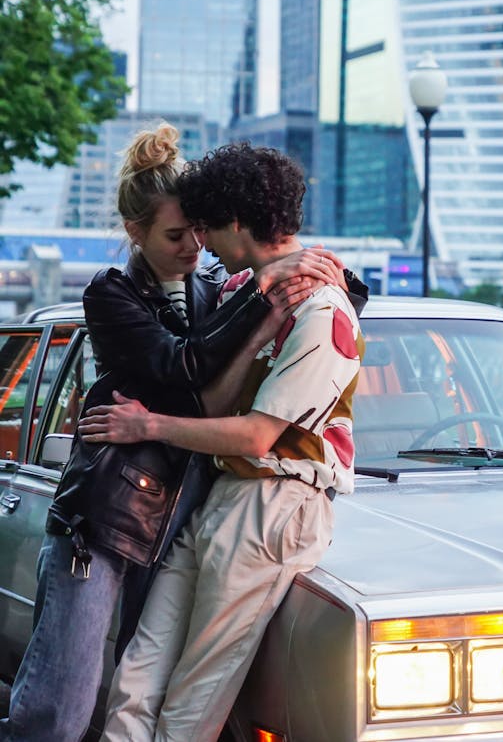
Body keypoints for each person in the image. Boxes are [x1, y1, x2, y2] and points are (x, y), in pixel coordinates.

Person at [0, 124, 365, 742]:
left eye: (201, 231)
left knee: (174, 691)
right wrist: (272, 288)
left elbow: (305, 329)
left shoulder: (237, 291)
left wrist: (306, 276)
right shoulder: (115, 291)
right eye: (178, 234)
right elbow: (187, 368)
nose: (197, 246)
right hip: (118, 509)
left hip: (209, 502)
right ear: (136, 234)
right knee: (81, 698)